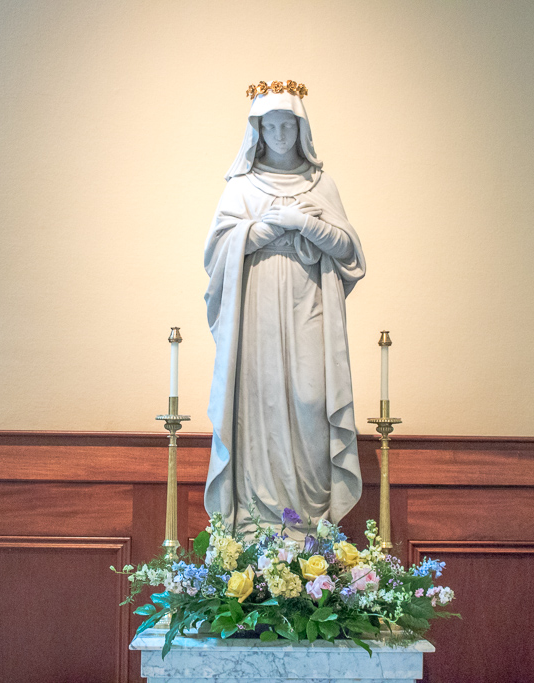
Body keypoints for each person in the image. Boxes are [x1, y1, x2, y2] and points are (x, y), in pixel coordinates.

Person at [204, 81, 365, 539]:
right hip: (257, 317)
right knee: (261, 405)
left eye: (286, 125)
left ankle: (311, 525)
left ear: (300, 129)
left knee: (312, 399)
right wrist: (257, 234)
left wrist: (304, 222)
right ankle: (258, 527)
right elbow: (215, 253)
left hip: (307, 302)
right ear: (257, 131)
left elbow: (349, 251)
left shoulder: (321, 185)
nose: (278, 134)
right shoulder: (240, 188)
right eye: (269, 125)